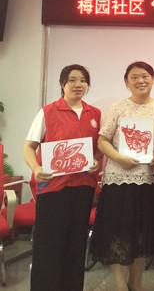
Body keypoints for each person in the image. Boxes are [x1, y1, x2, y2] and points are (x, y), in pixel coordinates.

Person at [90, 61, 154, 291]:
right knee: (118, 235)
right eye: (134, 77)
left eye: (145, 76)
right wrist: (119, 157)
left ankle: (136, 284)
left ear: (153, 79)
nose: (140, 81)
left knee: (141, 236)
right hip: (119, 181)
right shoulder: (118, 108)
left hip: (149, 181)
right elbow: (102, 140)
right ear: (126, 82)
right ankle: (120, 286)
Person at [23, 64, 101, 291]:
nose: (78, 85)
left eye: (83, 80)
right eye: (72, 80)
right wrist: (36, 167)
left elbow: (97, 150)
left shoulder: (95, 114)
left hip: (83, 188)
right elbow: (29, 146)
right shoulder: (48, 111)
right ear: (62, 84)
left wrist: (96, 163)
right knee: (49, 245)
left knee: (76, 245)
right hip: (53, 188)